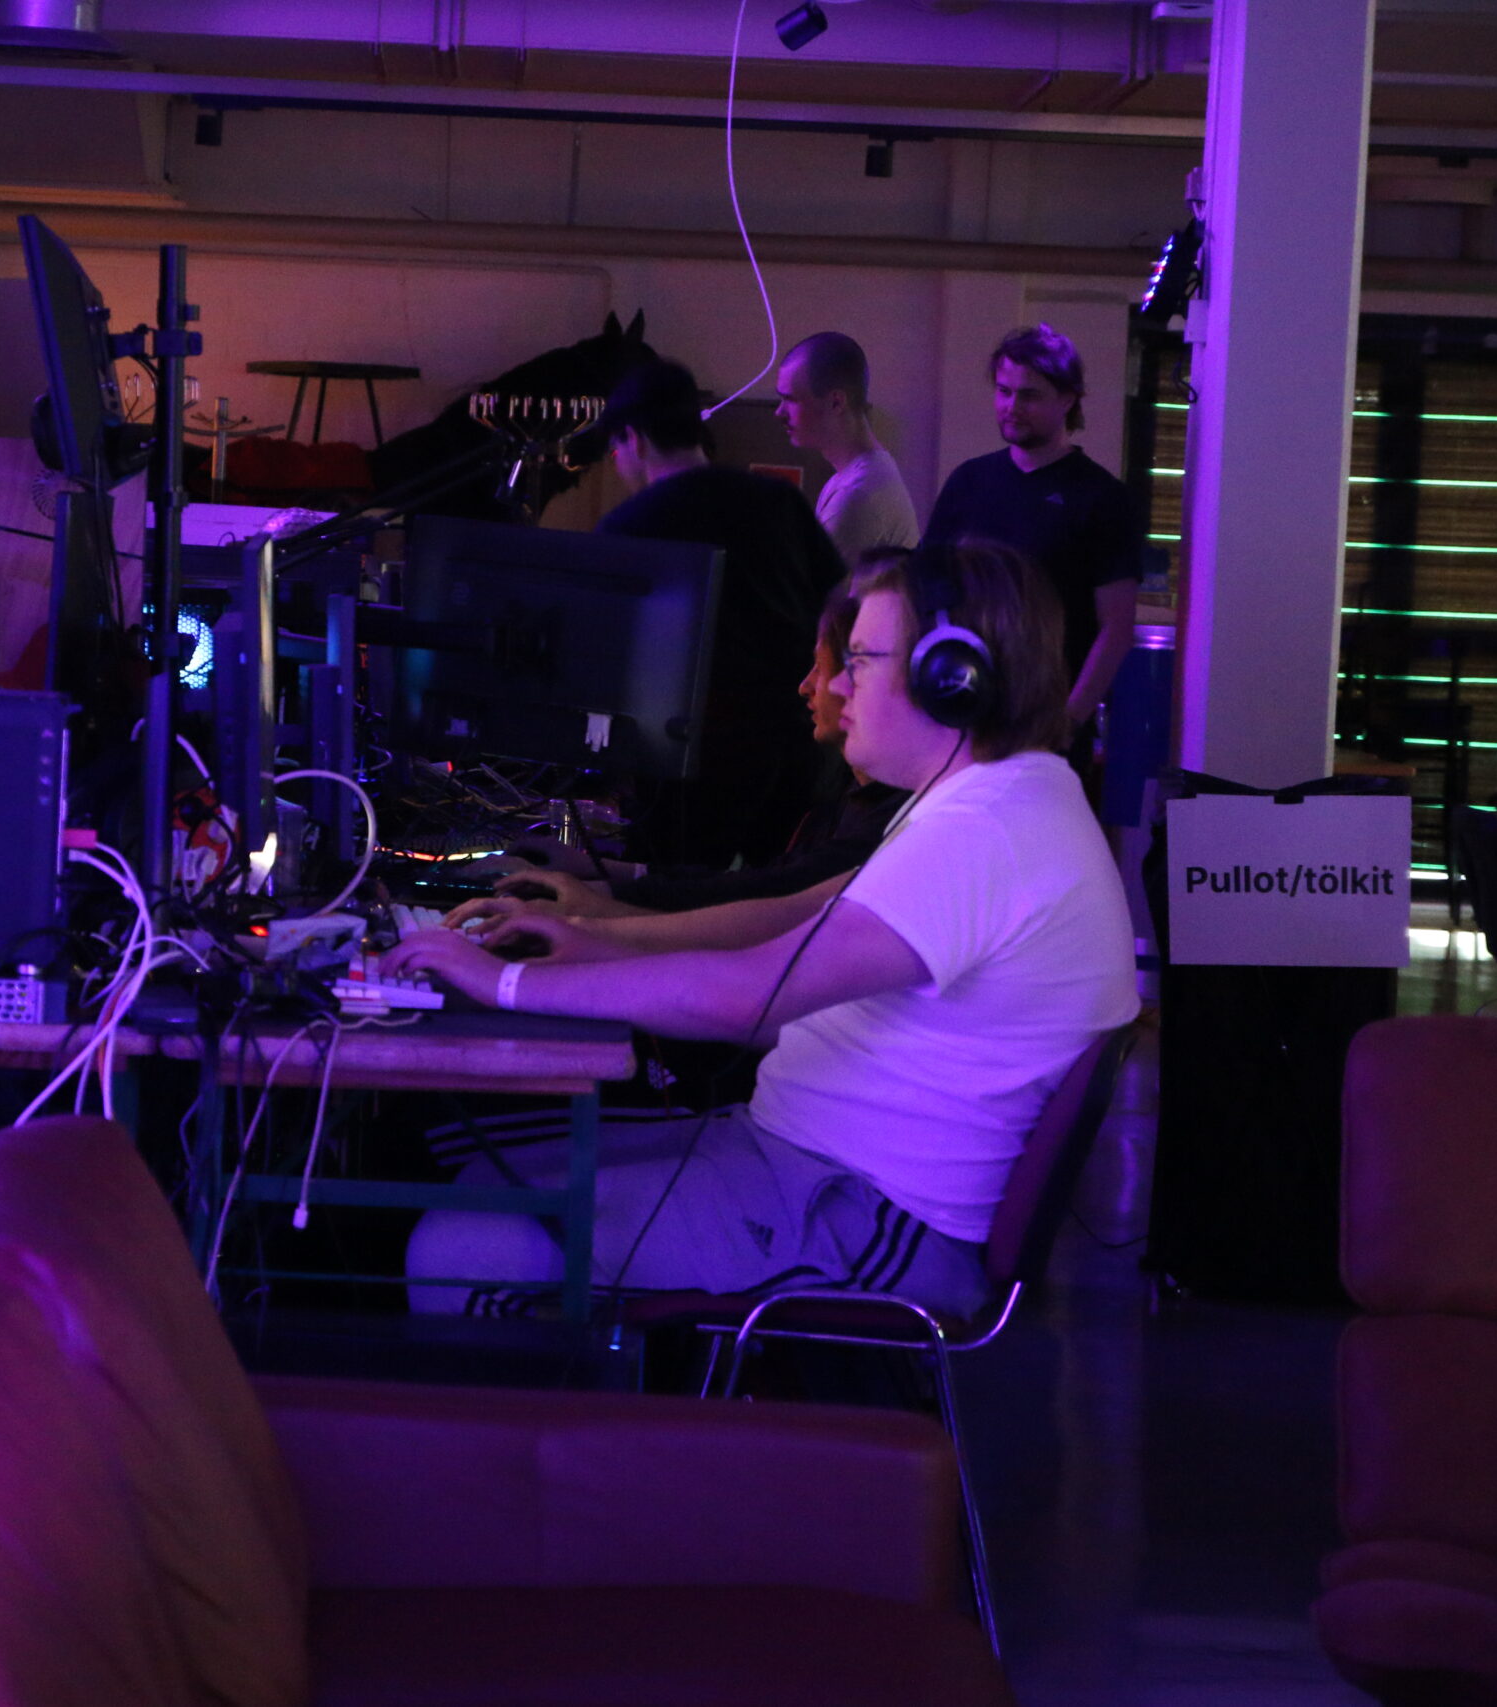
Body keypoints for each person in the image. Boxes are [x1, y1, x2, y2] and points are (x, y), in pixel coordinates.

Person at [385, 539, 1138, 1318]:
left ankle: (595, 1402)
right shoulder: (990, 801)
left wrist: (505, 982)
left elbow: (753, 994)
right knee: (483, 1177)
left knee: (460, 1247)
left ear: (949, 679)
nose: (838, 685)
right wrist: (599, 938)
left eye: (861, 660)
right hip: (806, 1161)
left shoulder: (988, 831)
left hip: (869, 1214)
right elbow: (792, 915)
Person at [473, 573, 908, 925]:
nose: (808, 686)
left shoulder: (886, 825)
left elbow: (762, 904)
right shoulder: (850, 797)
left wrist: (597, 905)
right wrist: (602, 873)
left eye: (836, 667)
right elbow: (761, 884)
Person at [593, 360, 847, 871]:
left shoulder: (629, 528)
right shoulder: (778, 500)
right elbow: (840, 604)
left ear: (634, 438)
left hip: (689, 761)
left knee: (670, 896)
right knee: (775, 892)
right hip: (796, 747)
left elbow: (608, 660)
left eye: (615, 450)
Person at [920, 324, 1144, 733]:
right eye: (1004, 391)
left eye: (1029, 395)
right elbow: (927, 592)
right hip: (963, 708)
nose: (1012, 407)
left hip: (1047, 717)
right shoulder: (969, 481)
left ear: (1067, 399)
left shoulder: (1101, 497)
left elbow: (1116, 628)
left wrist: (1069, 720)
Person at [775, 332, 918, 565]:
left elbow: (819, 588)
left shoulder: (857, 495)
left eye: (790, 399)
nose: (779, 412)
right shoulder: (853, 478)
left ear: (836, 402)